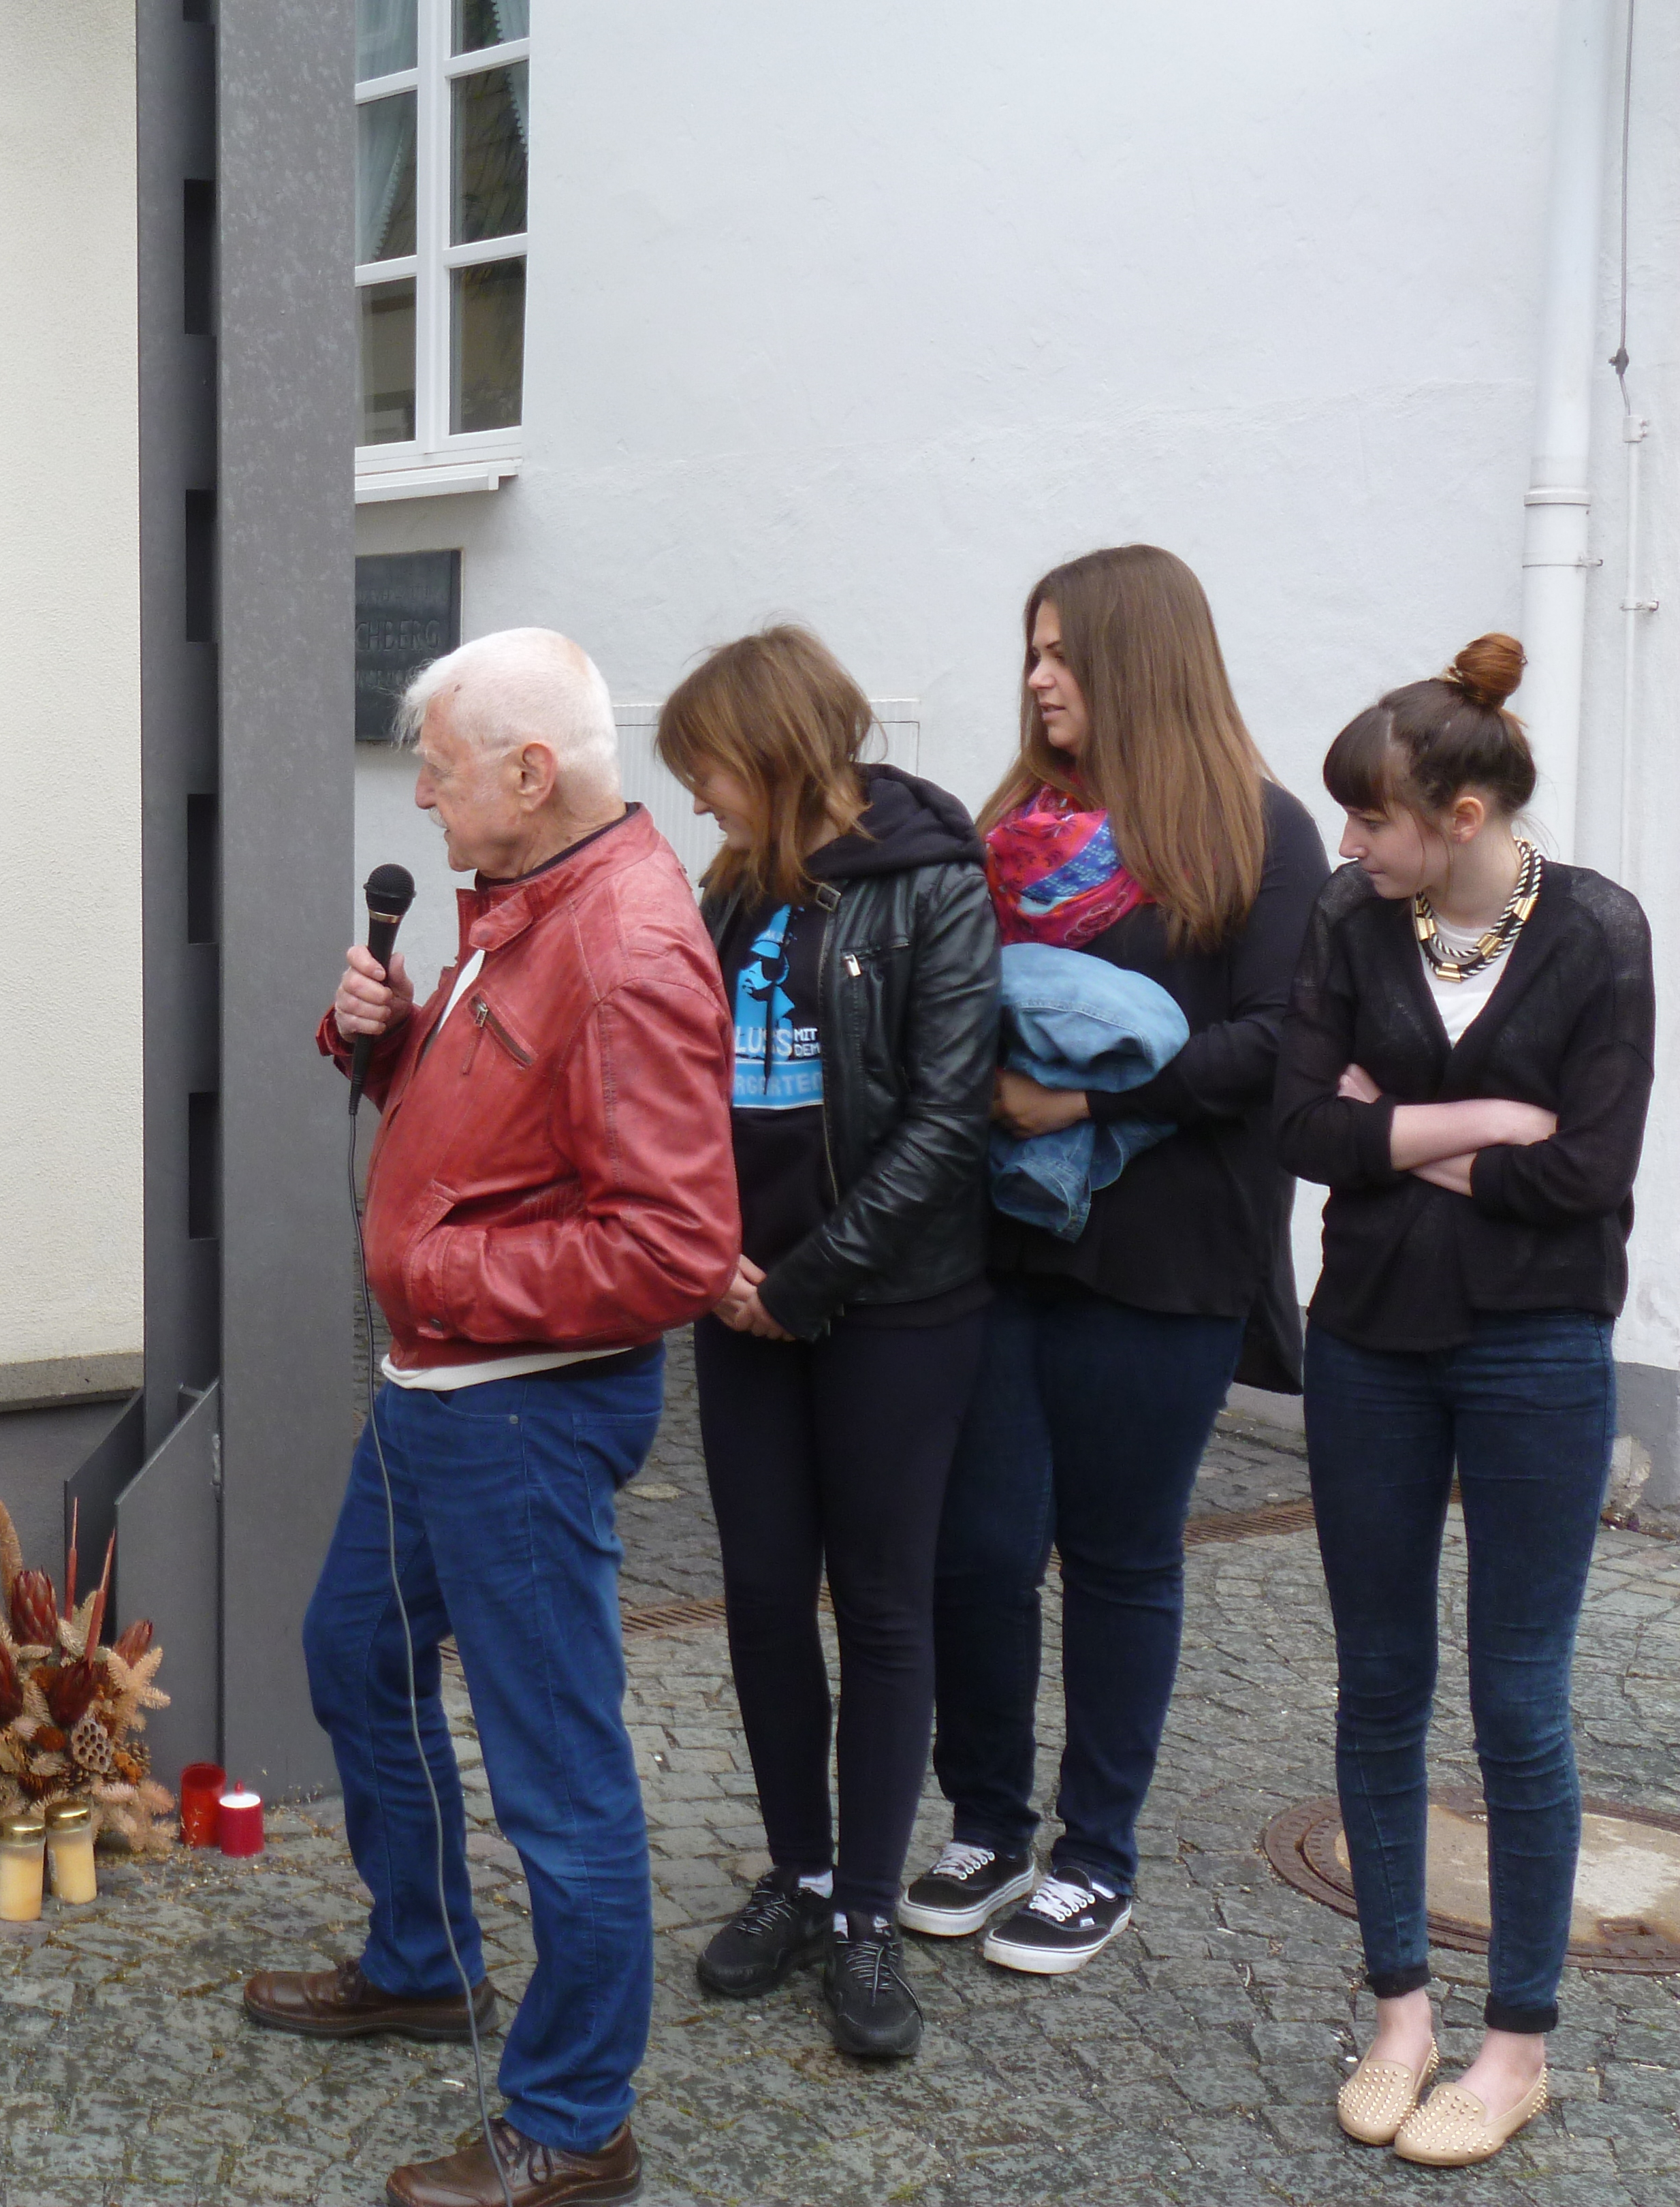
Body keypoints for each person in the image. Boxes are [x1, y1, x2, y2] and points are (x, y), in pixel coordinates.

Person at [249, 629, 739, 2207]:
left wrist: (443, 1266)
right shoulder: (526, 905)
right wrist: (384, 1045)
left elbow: (671, 1247)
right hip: (440, 1393)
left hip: (517, 1410)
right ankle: (423, 1960)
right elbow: (504, 1125)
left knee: (557, 1771)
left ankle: (575, 2118)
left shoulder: (626, 946)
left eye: (440, 770)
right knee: (355, 1657)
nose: (420, 799)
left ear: (533, 774)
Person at [906, 545, 1326, 1972]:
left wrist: (1089, 1098)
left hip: (1168, 1258)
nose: (1035, 679)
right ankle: (983, 1818)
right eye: (1029, 651)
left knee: (1120, 1557)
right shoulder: (1007, 826)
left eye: (1062, 653)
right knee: (977, 1548)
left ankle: (1095, 1855)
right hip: (998, 1245)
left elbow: (1279, 1044)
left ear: (1138, 661)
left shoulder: (1257, 834)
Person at [1278, 635, 1651, 2167]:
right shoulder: (1350, 924)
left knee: (1517, 1699)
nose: (1351, 844)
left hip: (1534, 1351)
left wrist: (1408, 1129)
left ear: (1472, 811)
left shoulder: (1600, 938)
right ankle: (1398, 2017)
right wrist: (1492, 1116)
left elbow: (1591, 1177)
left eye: (1377, 819)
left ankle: (1514, 2044)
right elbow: (1302, 1125)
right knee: (1378, 1684)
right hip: (1366, 1339)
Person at [661, 627, 998, 2060]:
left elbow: (948, 1115)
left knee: (881, 1602)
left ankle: (867, 1913)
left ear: (779, 754)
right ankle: (795, 1876)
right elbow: (684, 1083)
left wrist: (804, 1283)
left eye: (711, 770)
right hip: (737, 1299)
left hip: (892, 1309)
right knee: (753, 1591)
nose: (697, 800)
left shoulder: (934, 878)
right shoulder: (730, 886)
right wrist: (708, 1259)